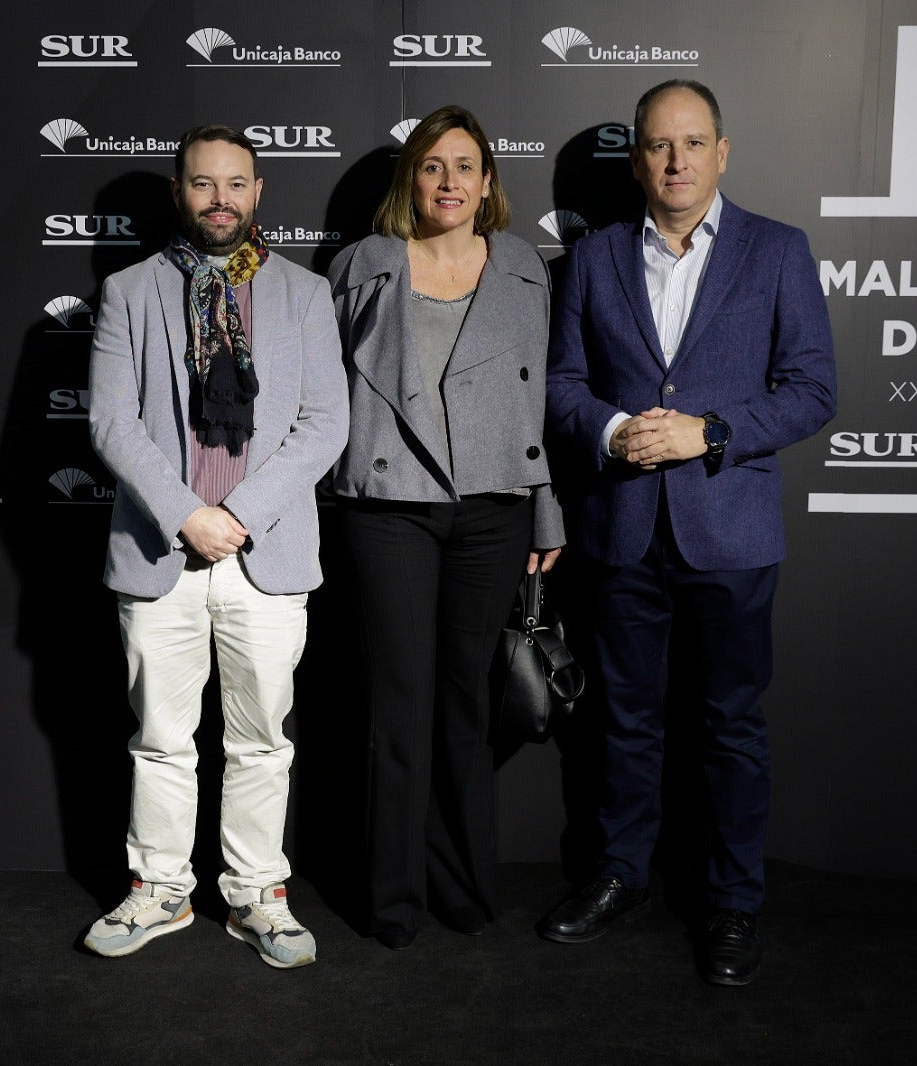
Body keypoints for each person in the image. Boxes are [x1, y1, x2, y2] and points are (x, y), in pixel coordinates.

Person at [540, 80, 836, 985]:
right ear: (637, 159)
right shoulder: (591, 260)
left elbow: (814, 391)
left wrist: (709, 431)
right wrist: (608, 429)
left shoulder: (778, 251)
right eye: (659, 146)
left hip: (731, 536)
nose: (676, 162)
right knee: (625, 723)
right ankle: (624, 875)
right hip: (622, 531)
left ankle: (732, 901)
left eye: (692, 143)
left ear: (722, 151)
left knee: (729, 726)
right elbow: (561, 385)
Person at [83, 125, 348, 968]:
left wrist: (237, 514)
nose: (220, 199)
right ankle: (160, 890)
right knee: (160, 737)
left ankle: (255, 895)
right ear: (179, 192)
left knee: (262, 738)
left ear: (259, 192)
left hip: (262, 553)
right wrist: (186, 514)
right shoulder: (130, 292)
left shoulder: (304, 295)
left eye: (236, 184)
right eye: (203, 184)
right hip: (162, 550)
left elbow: (324, 425)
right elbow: (112, 423)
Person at [328, 105, 565, 949]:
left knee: (467, 702)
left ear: (489, 181)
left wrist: (546, 505)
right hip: (386, 509)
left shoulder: (526, 271)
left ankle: (462, 883)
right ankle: (391, 898)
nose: (450, 183)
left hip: (494, 511)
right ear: (411, 180)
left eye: (465, 166)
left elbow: (537, 405)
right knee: (399, 705)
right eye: (433, 166)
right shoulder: (363, 264)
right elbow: (324, 397)